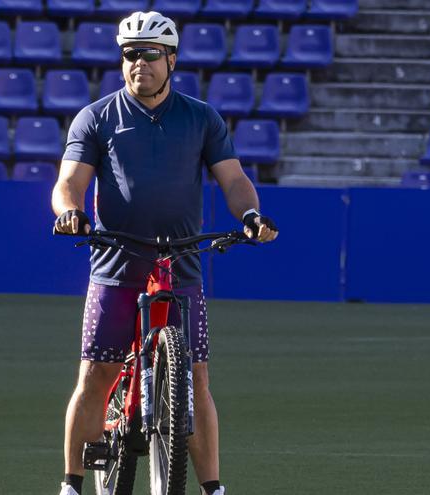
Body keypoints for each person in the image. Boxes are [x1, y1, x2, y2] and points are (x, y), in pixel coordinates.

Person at [52, 11, 278, 495]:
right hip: (116, 263)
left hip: (181, 263)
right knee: (96, 372)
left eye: (151, 54)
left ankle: (213, 488)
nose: (140, 63)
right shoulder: (96, 117)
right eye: (130, 54)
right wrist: (70, 211)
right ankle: (71, 484)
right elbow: (68, 182)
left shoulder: (201, 118)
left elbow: (233, 179)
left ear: (171, 60)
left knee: (195, 377)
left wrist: (251, 216)